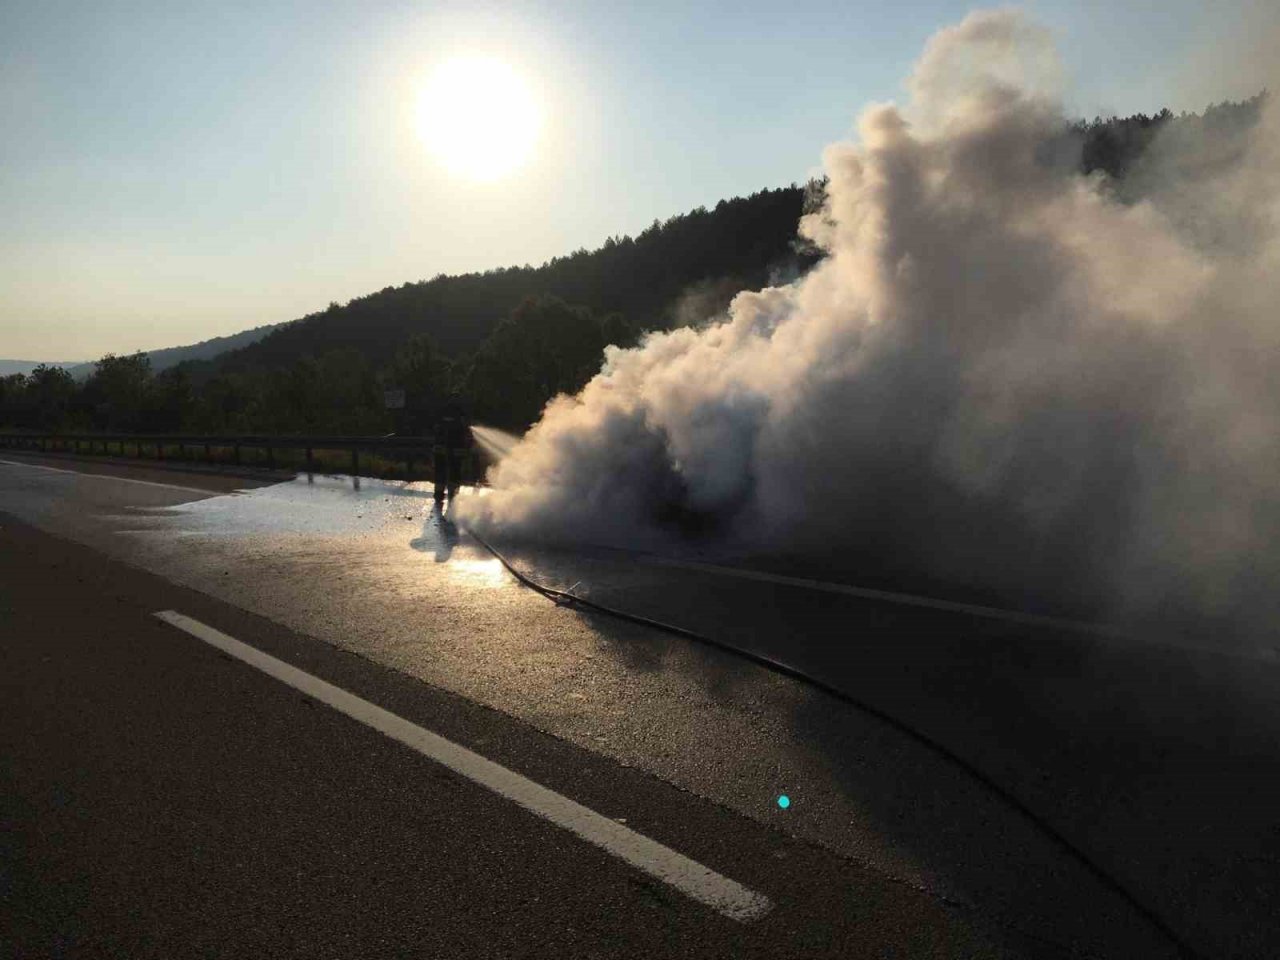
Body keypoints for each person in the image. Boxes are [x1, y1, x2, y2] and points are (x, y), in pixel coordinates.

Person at [433, 397, 473, 501]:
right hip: (456, 449)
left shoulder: (441, 412)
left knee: (440, 471)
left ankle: (438, 494)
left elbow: (435, 429)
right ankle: (453, 495)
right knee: (455, 471)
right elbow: (467, 430)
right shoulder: (460, 413)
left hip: (440, 448)